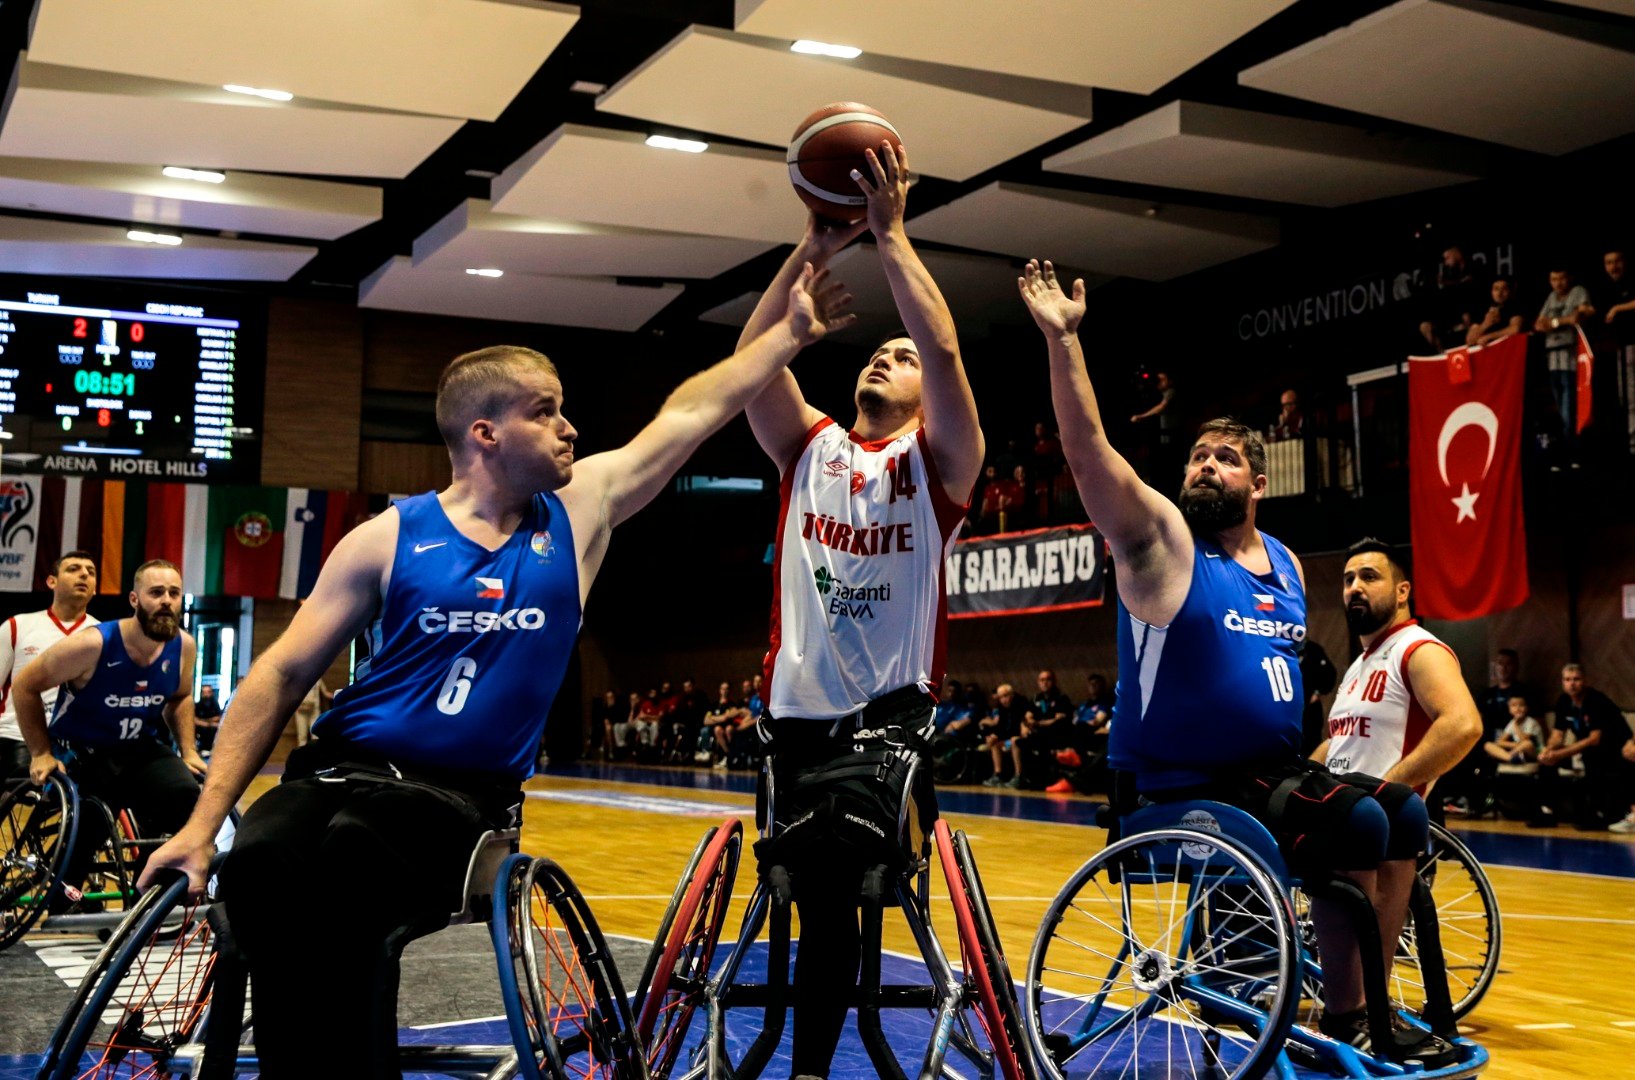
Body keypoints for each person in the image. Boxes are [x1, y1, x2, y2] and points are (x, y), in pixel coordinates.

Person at [137, 264, 852, 1077]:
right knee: (262, 860)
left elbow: (690, 411)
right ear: (484, 433)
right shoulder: (386, 536)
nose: (568, 428)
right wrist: (202, 828)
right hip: (336, 773)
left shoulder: (580, 511)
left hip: (455, 800)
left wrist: (790, 333)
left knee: (353, 855)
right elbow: (277, 675)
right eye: (544, 411)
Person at [1018, 258, 1455, 1062]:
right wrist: (1062, 342)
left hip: (1271, 775)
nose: (1202, 468)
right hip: (1184, 785)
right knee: (1355, 821)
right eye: (1195, 458)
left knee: (1404, 814)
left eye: (1221, 459)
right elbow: (1086, 452)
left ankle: (1363, 1002)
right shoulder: (1162, 545)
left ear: (1257, 481)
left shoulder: (1286, 564)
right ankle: (1353, 1014)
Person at [734, 138, 983, 1080]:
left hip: (888, 734)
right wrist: (812, 245)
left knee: (834, 866)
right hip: (795, 727)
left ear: (926, 391)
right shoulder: (810, 450)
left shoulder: (941, 466)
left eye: (901, 355)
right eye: (875, 350)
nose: (886, 357)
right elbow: (749, 365)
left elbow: (947, 346)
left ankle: (805, 1069)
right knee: (811, 867)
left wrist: (889, 237)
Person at [12, 560, 204, 901]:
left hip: (138, 747)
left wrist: (188, 751)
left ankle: (152, 891)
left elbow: (180, 697)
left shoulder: (183, 647)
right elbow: (25, 686)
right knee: (96, 817)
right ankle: (61, 898)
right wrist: (41, 753)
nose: (166, 601)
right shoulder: (93, 644)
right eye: (156, 592)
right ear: (134, 599)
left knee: (184, 793)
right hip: (82, 748)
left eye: (174, 593)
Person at [1313, 538, 1482, 809]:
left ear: (1402, 592)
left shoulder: (1419, 649)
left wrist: (1383, 792)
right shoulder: (1359, 664)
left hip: (1387, 826)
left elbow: (1463, 726)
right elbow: (1340, 740)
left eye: (1369, 577)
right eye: (1348, 580)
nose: (1355, 587)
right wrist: (1306, 774)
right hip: (1344, 817)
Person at [0, 550, 100, 781]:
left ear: (95, 588)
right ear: (51, 581)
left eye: (91, 572)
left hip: (78, 742)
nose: (84, 574)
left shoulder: (105, 635)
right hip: (16, 737)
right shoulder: (17, 625)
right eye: (73, 569)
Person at [1530, 663, 1632, 830]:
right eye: (1567, 680)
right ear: (1563, 682)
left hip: (1613, 751)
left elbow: (1594, 739)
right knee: (1547, 763)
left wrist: (1561, 754)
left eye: (1576, 679)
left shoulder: (1596, 700)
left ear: (1585, 681)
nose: (1572, 684)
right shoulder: (1563, 701)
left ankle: (1598, 814)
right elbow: (1557, 735)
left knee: (1591, 757)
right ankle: (1546, 811)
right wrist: (1548, 751)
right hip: (1584, 750)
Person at [1534, 268, 1592, 459]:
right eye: (1553, 279)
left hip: (1571, 356)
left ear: (1569, 278)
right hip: (1553, 358)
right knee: (1559, 407)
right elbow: (1538, 324)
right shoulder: (1551, 297)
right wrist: (1562, 321)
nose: (1557, 283)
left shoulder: (1578, 292)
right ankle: (1563, 450)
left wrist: (1554, 322)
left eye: (1561, 278)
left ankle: (1574, 451)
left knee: (1570, 408)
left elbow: (1578, 317)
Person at [1005, 668, 1074, 789]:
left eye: (1048, 679)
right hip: (1037, 734)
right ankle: (1020, 777)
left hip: (1055, 736)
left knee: (1037, 743)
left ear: (1054, 681)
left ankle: (1043, 780)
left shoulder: (1062, 699)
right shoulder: (1036, 699)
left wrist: (1037, 723)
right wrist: (1028, 725)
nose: (1045, 682)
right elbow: (1028, 718)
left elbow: (1058, 721)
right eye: (1042, 680)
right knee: (1017, 741)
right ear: (1038, 682)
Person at [979, 683, 1028, 786]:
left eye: (1005, 696)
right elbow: (1001, 727)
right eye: (1001, 697)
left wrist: (1010, 740)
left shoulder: (1021, 705)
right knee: (994, 743)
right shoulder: (1002, 709)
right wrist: (995, 736)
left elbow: (1021, 727)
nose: (1003, 700)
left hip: (1021, 739)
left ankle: (1018, 776)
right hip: (1008, 740)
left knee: (1015, 740)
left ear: (1012, 695)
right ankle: (998, 775)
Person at [1465, 277, 1524, 348]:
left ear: (1510, 291)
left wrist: (1490, 336)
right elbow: (1469, 340)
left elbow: (1515, 329)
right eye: (1496, 289)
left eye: (1504, 289)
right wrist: (1485, 324)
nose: (1499, 293)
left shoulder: (1515, 306)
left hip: (1508, 349)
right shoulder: (1483, 310)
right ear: (1491, 292)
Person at [1484, 696, 1544, 765]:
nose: (1518, 708)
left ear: (1527, 708)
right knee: (1487, 745)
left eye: (1521, 705)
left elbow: (1524, 740)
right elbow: (1500, 741)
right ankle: (1511, 758)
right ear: (1509, 709)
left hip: (1536, 752)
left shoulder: (1530, 722)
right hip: (1518, 750)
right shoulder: (1511, 723)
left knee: (1527, 744)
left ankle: (1506, 757)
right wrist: (1515, 745)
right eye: (1514, 705)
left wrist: (1516, 725)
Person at [193, 685, 224, 753]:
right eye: (204, 692)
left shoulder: (215, 705)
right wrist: (209, 723)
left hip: (213, 730)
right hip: (201, 730)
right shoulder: (197, 705)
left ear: (212, 693)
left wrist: (203, 721)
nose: (206, 695)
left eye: (208, 692)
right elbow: (194, 720)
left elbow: (219, 717)